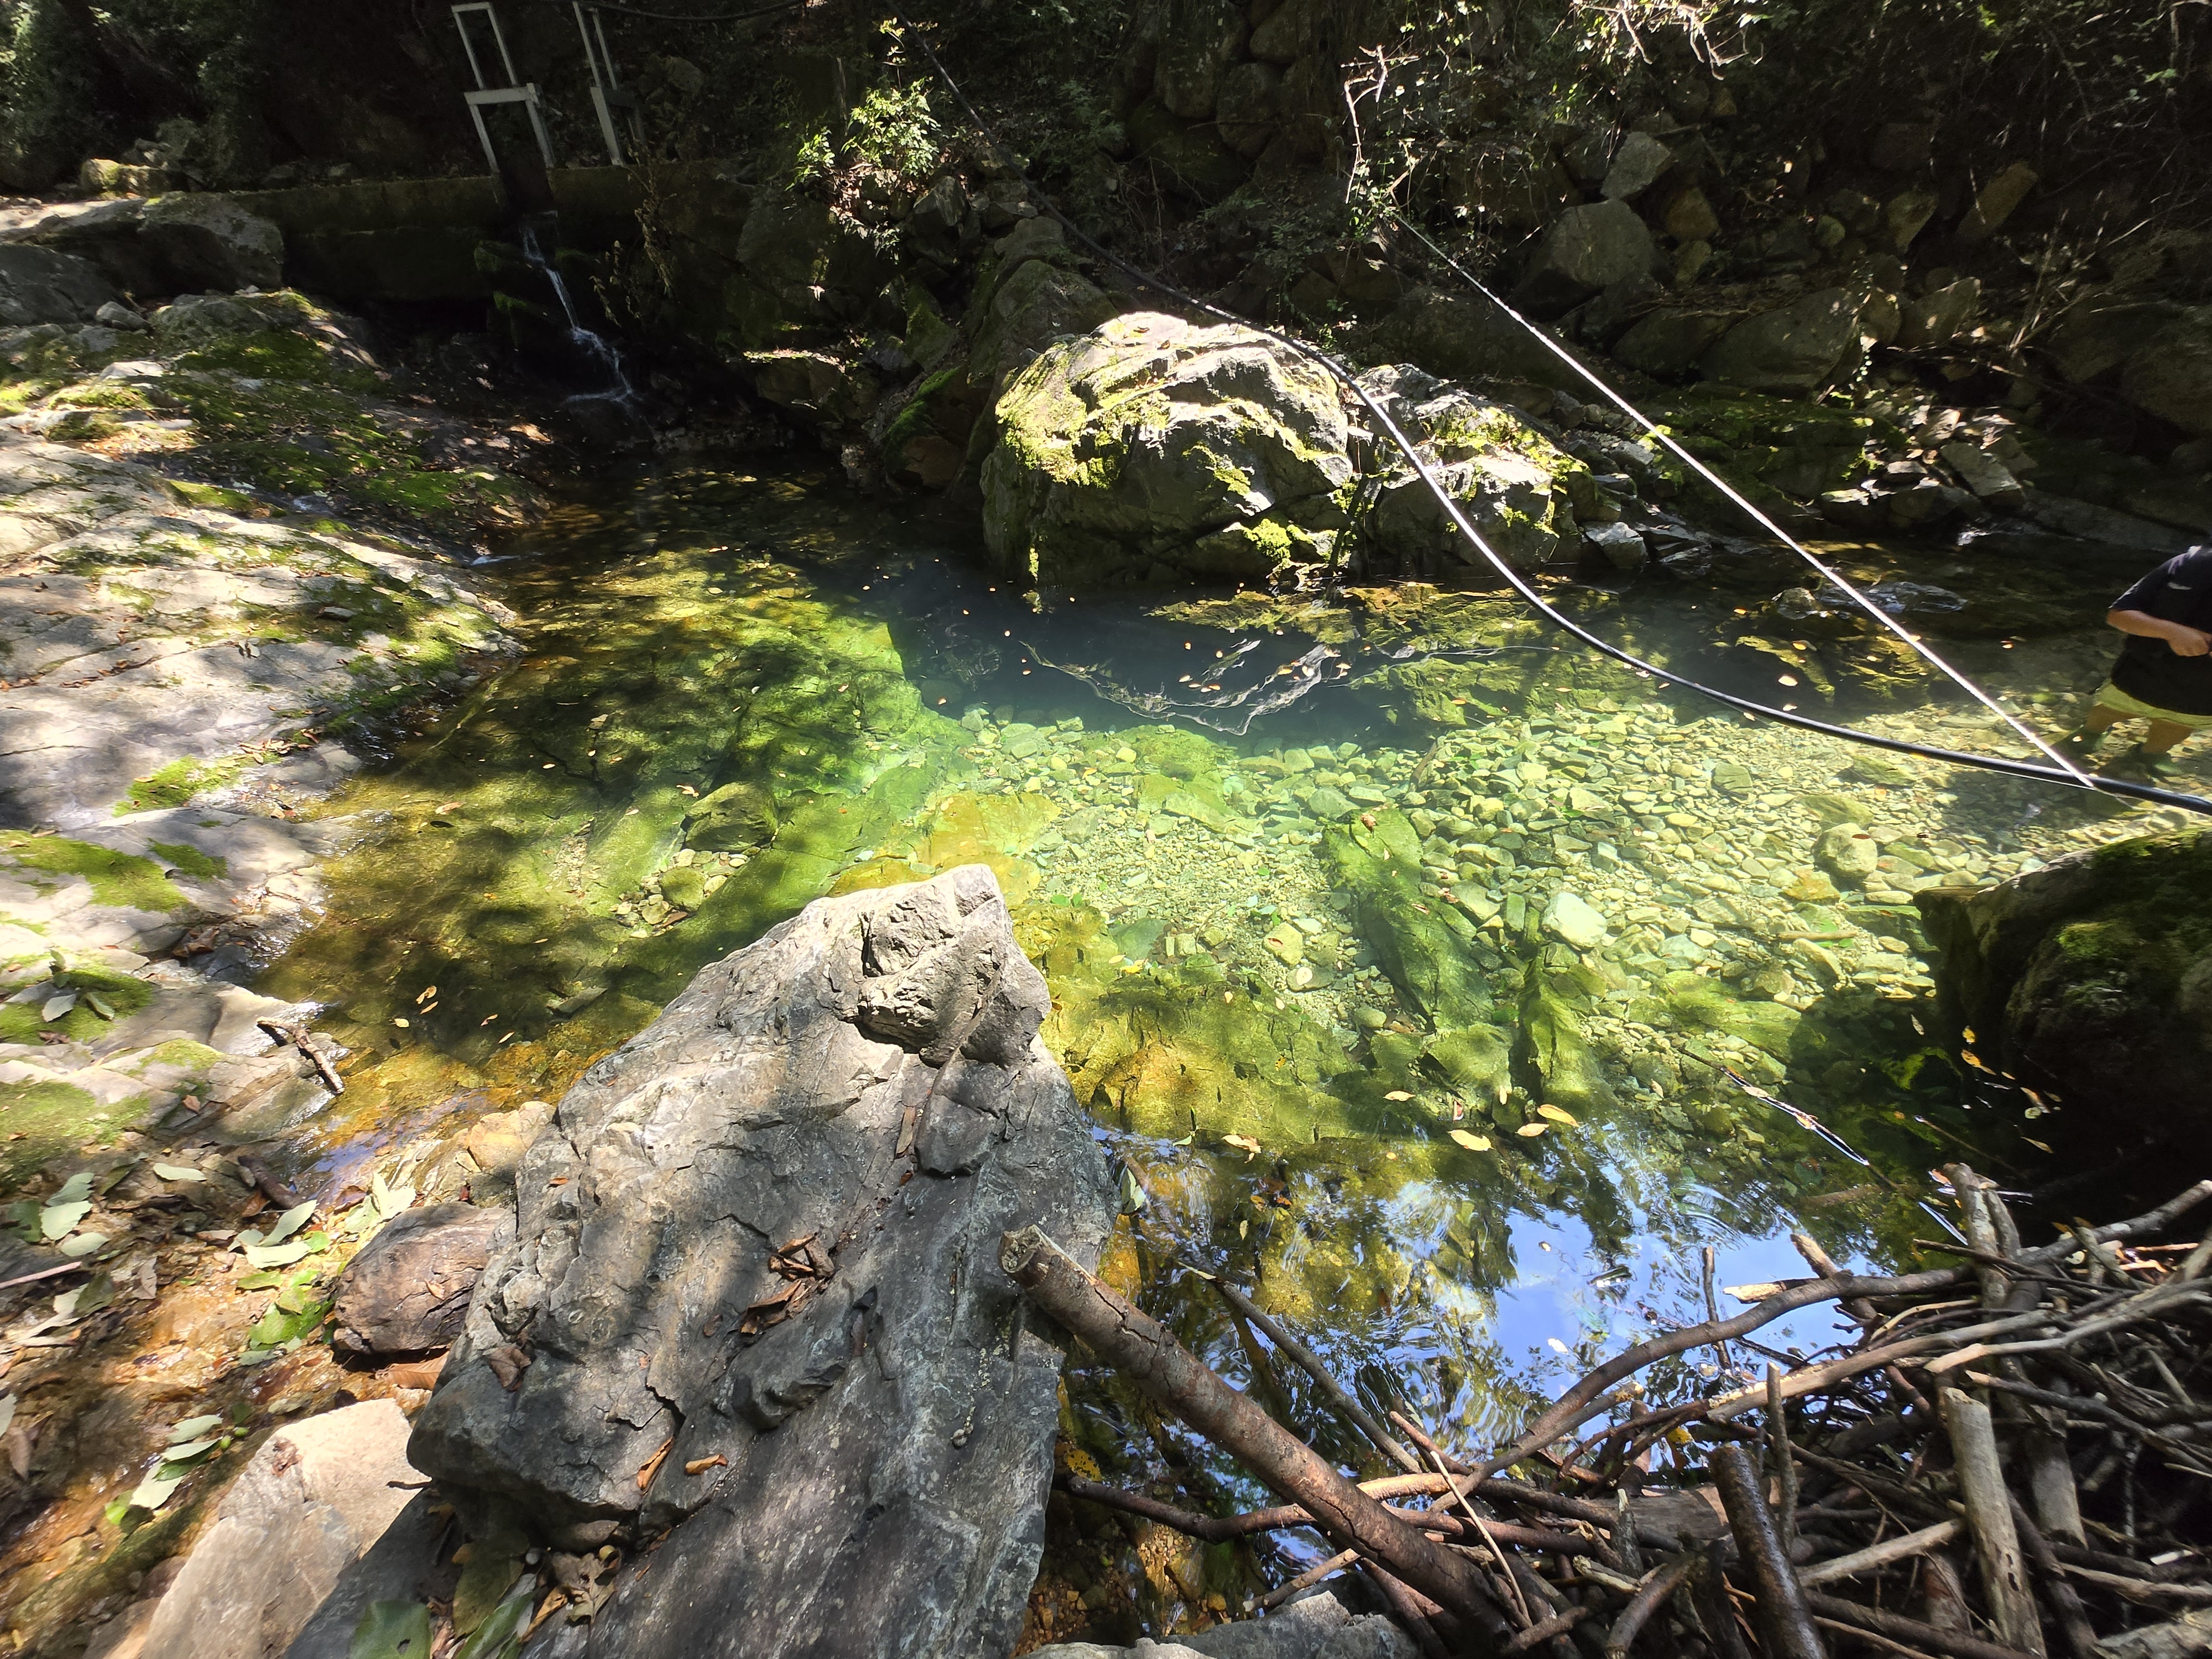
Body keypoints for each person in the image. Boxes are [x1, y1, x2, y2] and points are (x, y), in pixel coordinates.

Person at [2061, 544, 2212, 780]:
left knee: (2174, 729)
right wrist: (2172, 631)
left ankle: (2148, 756)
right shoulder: (2188, 565)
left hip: (2201, 700)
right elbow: (2119, 615)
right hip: (2138, 676)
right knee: (2108, 711)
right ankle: (2090, 734)